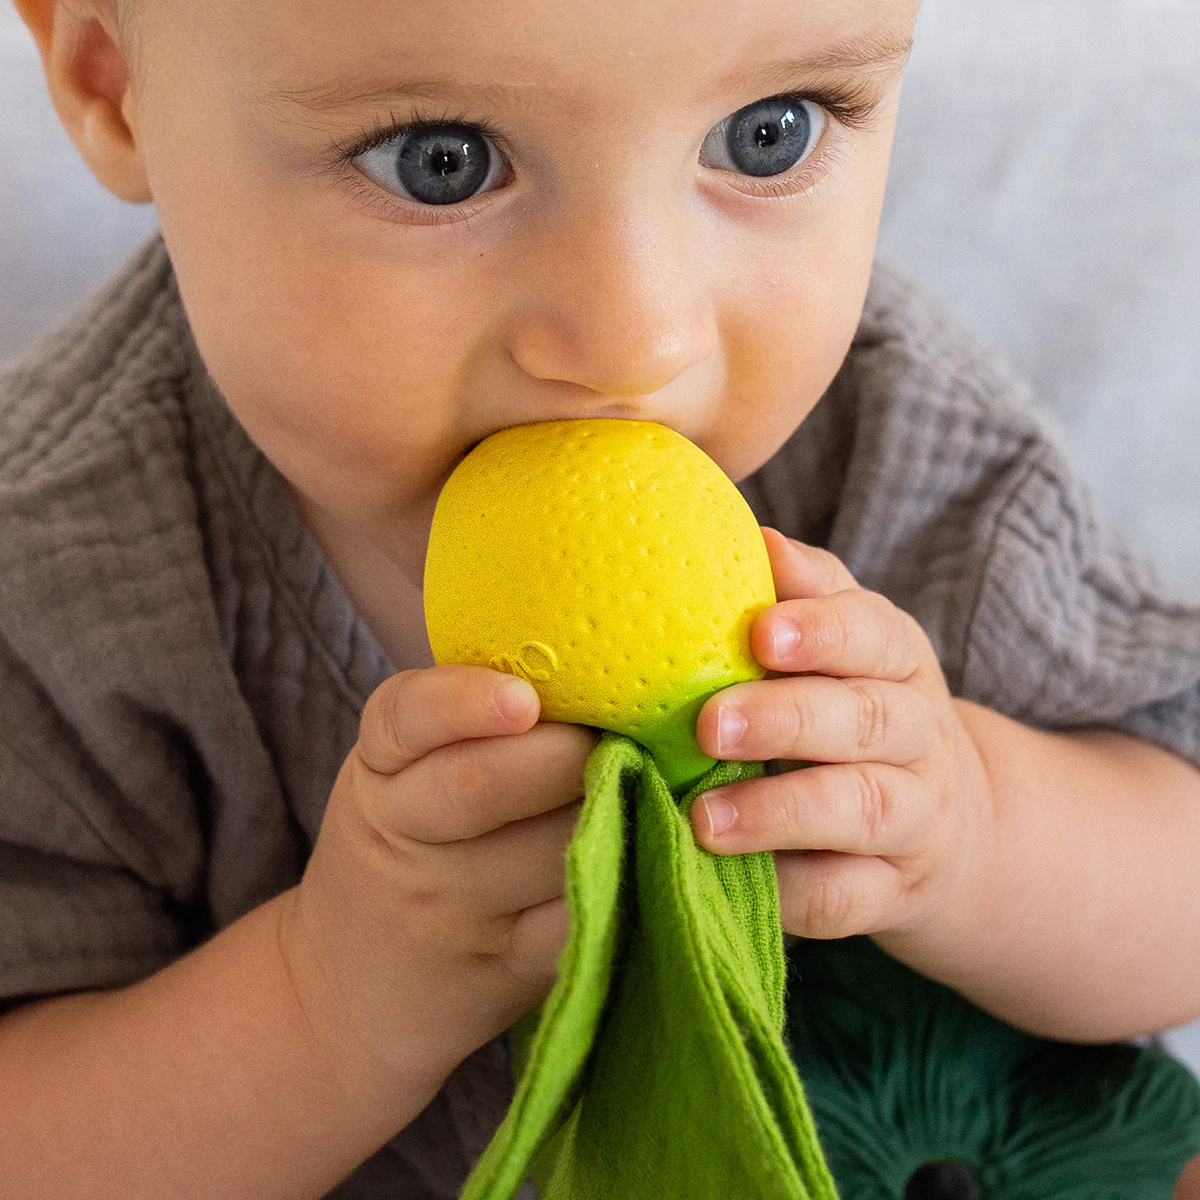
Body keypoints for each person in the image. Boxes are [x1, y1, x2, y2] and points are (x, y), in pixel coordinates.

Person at [2, 0, 1199, 1195]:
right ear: (112, 79)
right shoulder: (65, 586)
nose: (639, 336)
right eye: (442, 162)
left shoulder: (890, 438)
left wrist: (978, 827)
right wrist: (329, 1004)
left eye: (768, 134)